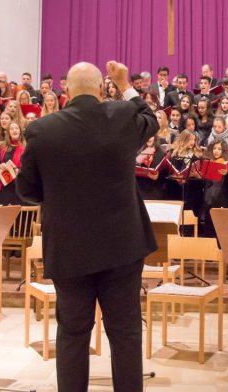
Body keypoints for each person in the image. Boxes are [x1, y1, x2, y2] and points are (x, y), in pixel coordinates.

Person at [17, 61, 158, 392]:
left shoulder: (42, 129)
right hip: (122, 248)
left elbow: (26, 190)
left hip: (69, 250)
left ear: (65, 91)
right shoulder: (122, 116)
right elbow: (151, 121)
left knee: (72, 333)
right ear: (100, 90)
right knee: (124, 332)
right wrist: (125, 85)